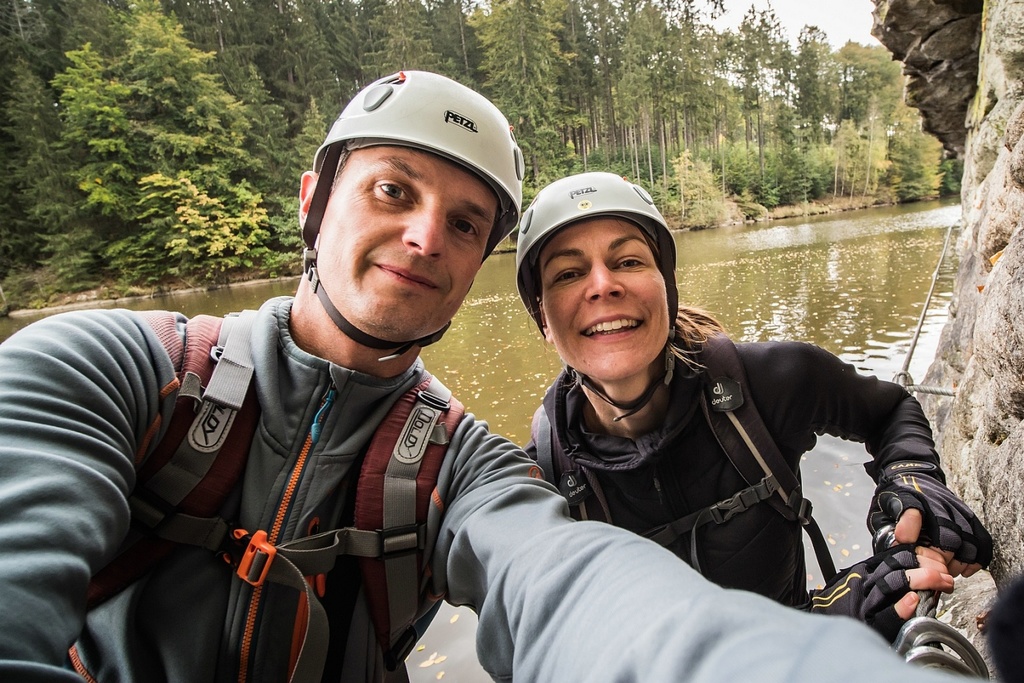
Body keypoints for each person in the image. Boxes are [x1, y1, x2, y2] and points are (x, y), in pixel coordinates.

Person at [0, 73, 983, 683]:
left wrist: (840, 636)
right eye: (391, 189)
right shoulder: (106, 369)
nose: (427, 234)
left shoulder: (460, 467)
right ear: (313, 199)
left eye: (466, 221)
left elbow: (576, 590)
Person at [515, 171, 994, 643]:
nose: (603, 285)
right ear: (543, 319)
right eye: (569, 273)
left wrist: (914, 480)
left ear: (666, 284)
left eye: (629, 261)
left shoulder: (768, 382)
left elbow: (890, 411)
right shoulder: (543, 475)